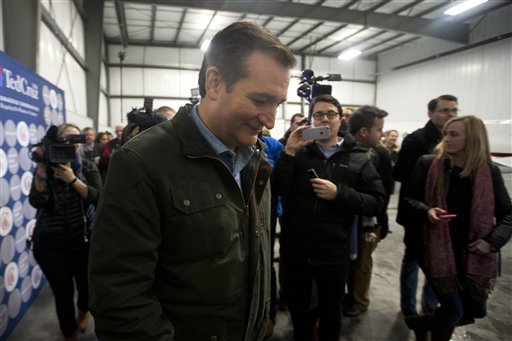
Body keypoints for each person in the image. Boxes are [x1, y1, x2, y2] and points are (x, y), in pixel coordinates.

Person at [88, 20, 296, 340]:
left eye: (277, 104)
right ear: (214, 83)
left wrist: (262, 318)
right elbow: (120, 298)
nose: (270, 120)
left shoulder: (256, 158)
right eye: (259, 100)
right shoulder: (140, 162)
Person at [273, 94, 385, 341]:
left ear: (340, 119)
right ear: (311, 121)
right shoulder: (299, 152)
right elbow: (278, 189)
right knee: (299, 311)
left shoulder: (357, 156)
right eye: (319, 114)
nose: (325, 119)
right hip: (296, 249)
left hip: (334, 251)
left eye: (331, 114)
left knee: (331, 312)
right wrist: (288, 151)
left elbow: (377, 202)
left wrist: (340, 194)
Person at [405, 115, 512, 340]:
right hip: (435, 251)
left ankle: (425, 324)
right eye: (446, 134)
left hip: (473, 253)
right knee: (454, 309)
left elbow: (507, 214)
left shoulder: (489, 171)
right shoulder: (428, 164)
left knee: (476, 310)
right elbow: (408, 199)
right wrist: (427, 211)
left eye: (454, 134)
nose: (447, 139)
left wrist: (492, 242)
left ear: (472, 139)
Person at [29, 123, 102, 341]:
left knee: (87, 290)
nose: (70, 143)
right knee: (62, 295)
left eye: (75, 138)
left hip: (83, 242)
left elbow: (98, 197)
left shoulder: (87, 167)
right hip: (50, 245)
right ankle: (69, 333)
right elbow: (36, 201)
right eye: (65, 138)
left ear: (80, 142)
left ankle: (83, 310)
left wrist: (72, 180)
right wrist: (42, 167)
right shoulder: (45, 168)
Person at [393, 94, 458, 339]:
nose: (450, 114)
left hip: (444, 215)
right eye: (444, 110)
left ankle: (429, 306)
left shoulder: (456, 140)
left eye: (453, 110)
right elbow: (401, 174)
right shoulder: (416, 140)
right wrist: (427, 188)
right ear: (430, 113)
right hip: (416, 212)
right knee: (413, 260)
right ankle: (409, 309)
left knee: (439, 262)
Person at [343, 105, 394, 317]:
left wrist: (376, 226)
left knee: (362, 264)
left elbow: (385, 193)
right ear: (364, 132)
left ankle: (359, 300)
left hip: (369, 223)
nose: (381, 134)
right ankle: (352, 295)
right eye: (379, 130)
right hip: (349, 220)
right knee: (350, 263)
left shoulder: (379, 153)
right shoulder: (344, 151)